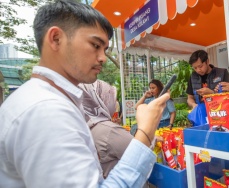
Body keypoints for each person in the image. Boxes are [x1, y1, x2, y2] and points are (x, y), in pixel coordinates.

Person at [0, 1, 170, 187]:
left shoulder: (45, 100)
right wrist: (146, 130)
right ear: (56, 38)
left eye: (104, 49)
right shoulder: (46, 110)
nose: (103, 58)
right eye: (95, 45)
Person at [79, 80, 133, 178]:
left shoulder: (83, 126)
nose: (114, 103)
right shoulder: (110, 131)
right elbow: (140, 155)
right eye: (111, 99)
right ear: (101, 100)